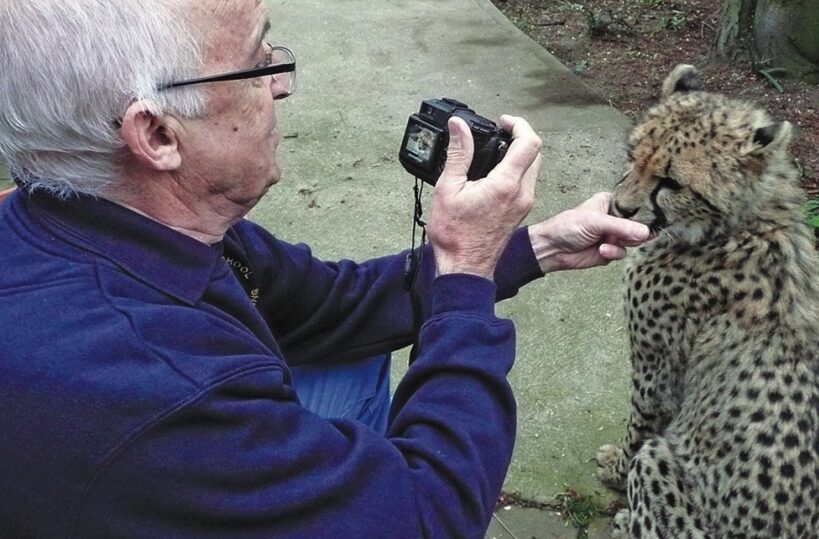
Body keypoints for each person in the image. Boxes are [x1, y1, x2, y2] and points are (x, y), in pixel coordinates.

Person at [0, 1, 651, 537]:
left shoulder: (107, 217)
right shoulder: (162, 393)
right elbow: (436, 518)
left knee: (355, 352)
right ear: (159, 136)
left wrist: (530, 248)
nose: (282, 82)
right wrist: (465, 273)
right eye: (256, 64)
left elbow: (340, 304)